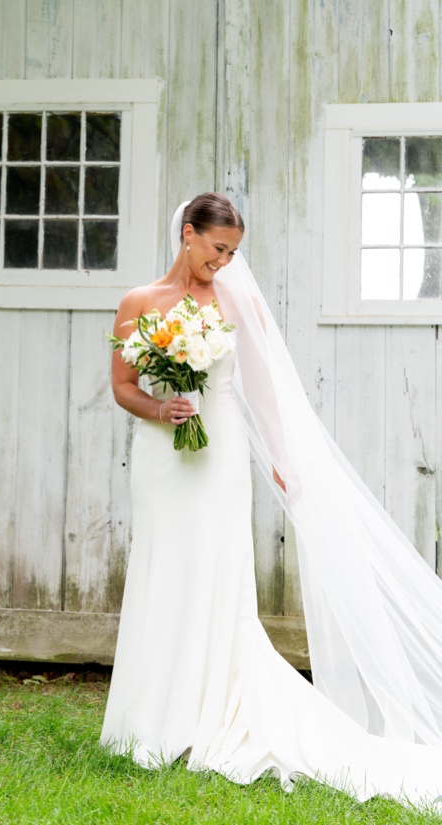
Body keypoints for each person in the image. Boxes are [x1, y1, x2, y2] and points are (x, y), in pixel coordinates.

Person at [102, 192, 442, 809]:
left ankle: (215, 710)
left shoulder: (236, 298)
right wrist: (161, 407)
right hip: (162, 457)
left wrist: (283, 457)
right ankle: (152, 717)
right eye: (217, 249)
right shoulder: (139, 303)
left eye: (233, 252)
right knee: (164, 569)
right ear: (187, 234)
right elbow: (124, 386)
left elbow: (260, 386)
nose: (224, 262)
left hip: (222, 450)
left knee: (217, 570)